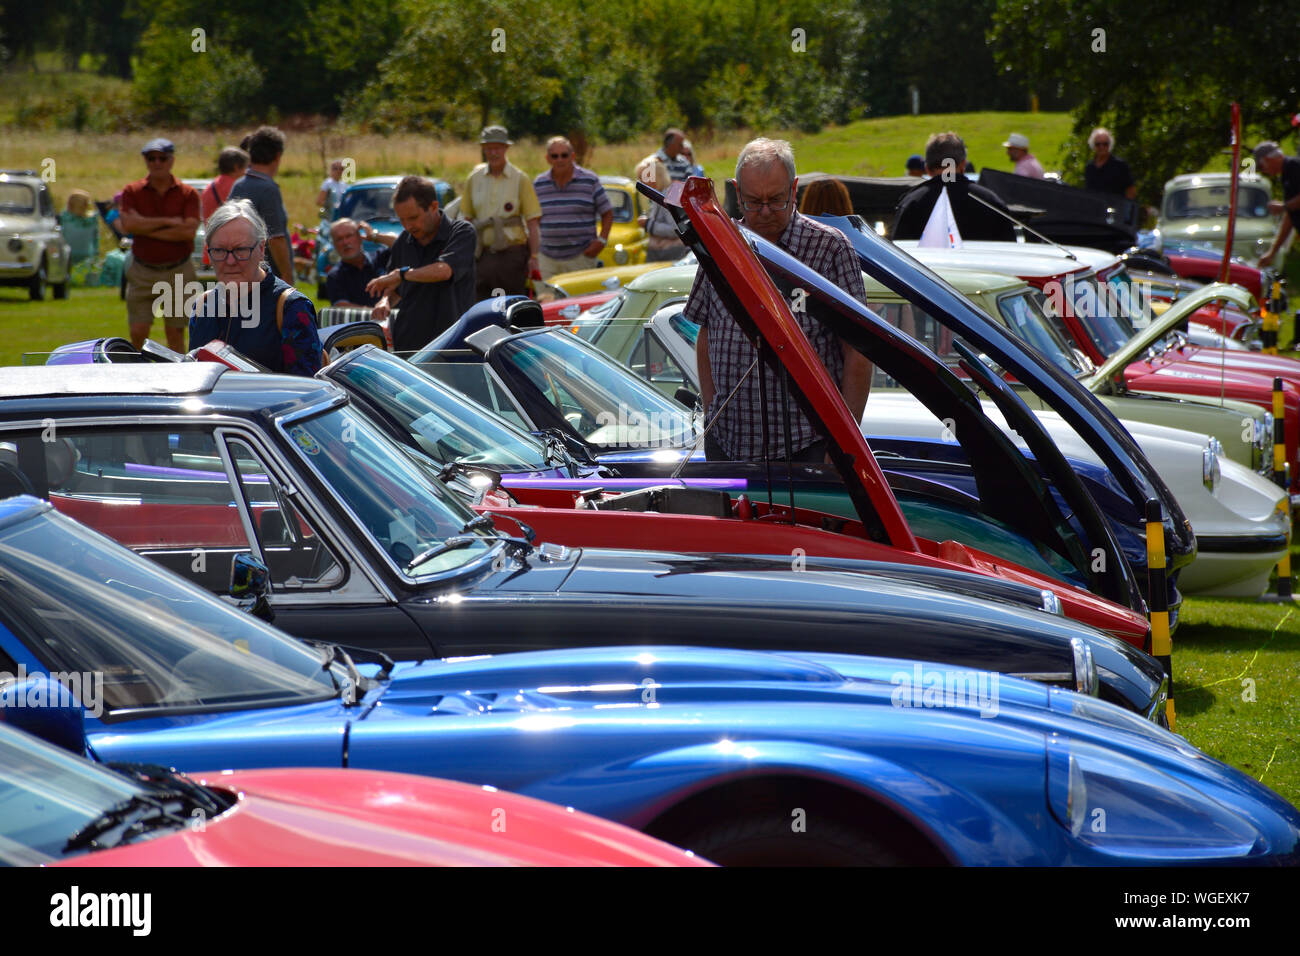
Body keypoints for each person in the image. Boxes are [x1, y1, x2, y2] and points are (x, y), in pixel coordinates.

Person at [684, 137, 873, 462]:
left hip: (809, 445)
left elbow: (858, 351)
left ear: (795, 189)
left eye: (776, 199)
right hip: (728, 444)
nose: (766, 212)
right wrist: (713, 418)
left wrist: (843, 444)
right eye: (754, 202)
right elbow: (706, 334)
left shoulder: (830, 248)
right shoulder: (720, 244)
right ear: (736, 193)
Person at [189, 199, 323, 375]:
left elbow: (308, 390)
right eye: (220, 251)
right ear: (208, 253)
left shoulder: (290, 307)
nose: (230, 261)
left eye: (240, 250)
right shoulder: (202, 306)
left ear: (261, 248)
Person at [365, 175, 476, 353]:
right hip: (410, 346)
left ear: (433, 207)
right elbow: (395, 290)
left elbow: (444, 270)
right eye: (402, 220)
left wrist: (402, 274)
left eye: (413, 218)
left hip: (454, 344)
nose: (408, 226)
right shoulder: (403, 241)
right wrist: (385, 301)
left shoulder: (461, 232)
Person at [118, 138, 200, 351]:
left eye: (162, 158)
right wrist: (169, 222)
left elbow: (188, 231)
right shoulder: (132, 191)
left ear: (171, 160)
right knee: (138, 331)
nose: (157, 163)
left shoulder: (188, 193)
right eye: (151, 158)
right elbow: (128, 225)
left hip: (179, 270)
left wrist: (145, 227)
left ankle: (178, 381)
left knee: (176, 333)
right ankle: (139, 377)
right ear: (145, 161)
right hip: (142, 270)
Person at [461, 125, 542, 300]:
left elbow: (533, 221)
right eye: (489, 148)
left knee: (511, 308)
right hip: (481, 254)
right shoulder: (474, 179)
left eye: (497, 148)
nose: (493, 153)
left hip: (512, 256)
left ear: (506, 148)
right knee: (480, 308)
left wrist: (534, 257)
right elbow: (465, 220)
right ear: (483, 150)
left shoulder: (520, 178)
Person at [892, 133, 1016, 241]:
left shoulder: (911, 203)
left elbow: (898, 254)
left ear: (927, 169)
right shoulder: (991, 202)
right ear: (963, 165)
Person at [533, 136, 613, 278]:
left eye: (564, 155)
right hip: (547, 259)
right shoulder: (539, 183)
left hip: (581, 258)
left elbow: (607, 212)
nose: (560, 159)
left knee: (581, 300)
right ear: (548, 158)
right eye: (554, 156)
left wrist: (602, 241)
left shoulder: (590, 180)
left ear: (573, 156)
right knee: (546, 300)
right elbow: (533, 219)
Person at [228, 126, 293, 279]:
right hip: (266, 277)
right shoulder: (268, 189)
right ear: (277, 156)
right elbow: (276, 238)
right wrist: (287, 277)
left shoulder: (239, 184)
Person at [323, 218, 392, 306]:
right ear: (334, 245)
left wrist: (374, 236)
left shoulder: (381, 258)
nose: (345, 242)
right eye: (339, 239)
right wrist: (378, 312)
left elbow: (403, 244)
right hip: (362, 319)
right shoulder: (335, 276)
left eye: (349, 236)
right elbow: (342, 307)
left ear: (360, 238)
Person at [1254, 141, 1300, 269]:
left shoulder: (1294, 167)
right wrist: (1272, 252)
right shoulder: (1286, 174)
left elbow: (1289, 208)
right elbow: (1290, 216)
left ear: (1268, 159)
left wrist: (1283, 207)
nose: (1265, 171)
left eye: (1262, 167)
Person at [635, 154, 686, 262]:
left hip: (670, 255)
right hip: (665, 254)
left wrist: (648, 224)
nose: (641, 182)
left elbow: (675, 229)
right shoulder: (663, 194)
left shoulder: (668, 196)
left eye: (643, 177)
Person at [1083, 127, 1137, 200]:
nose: (1101, 147)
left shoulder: (1120, 165)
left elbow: (1130, 191)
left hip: (1115, 207)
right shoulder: (1089, 167)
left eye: (1105, 144)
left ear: (1110, 145)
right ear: (1093, 146)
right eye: (1098, 144)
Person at [200, 147, 250, 223]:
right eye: (245, 167)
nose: (246, 172)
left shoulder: (209, 187)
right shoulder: (237, 187)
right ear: (236, 167)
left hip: (211, 233)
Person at [59, 189, 99, 268]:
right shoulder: (92, 220)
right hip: (79, 256)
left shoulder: (64, 218)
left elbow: (95, 239)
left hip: (75, 257)